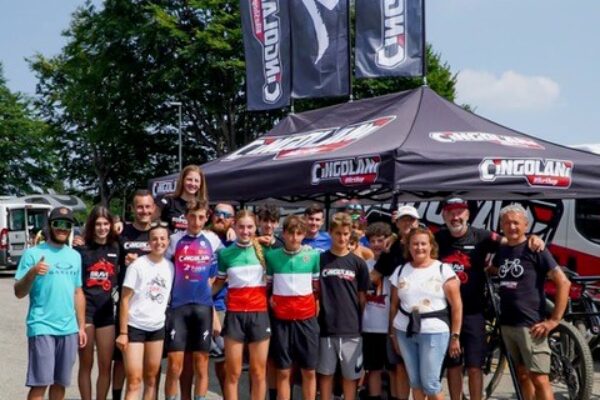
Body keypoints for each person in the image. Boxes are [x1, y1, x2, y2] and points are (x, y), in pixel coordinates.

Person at [436, 197, 544, 400]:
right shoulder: (437, 237)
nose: (455, 217)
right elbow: (412, 242)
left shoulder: (482, 236)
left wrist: (533, 238)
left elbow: (512, 240)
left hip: (474, 312)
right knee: (453, 365)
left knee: (474, 366)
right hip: (445, 312)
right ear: (443, 215)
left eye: (459, 212)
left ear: (468, 214)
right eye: (450, 212)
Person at [492, 204, 570, 400]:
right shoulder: (502, 250)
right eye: (507, 223)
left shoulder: (535, 249)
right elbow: (492, 270)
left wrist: (554, 320)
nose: (512, 227)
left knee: (540, 379)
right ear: (501, 226)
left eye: (516, 223)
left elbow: (563, 282)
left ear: (526, 225)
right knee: (522, 374)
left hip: (531, 325)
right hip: (508, 324)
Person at [14, 206, 87, 400]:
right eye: (57, 223)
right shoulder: (33, 254)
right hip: (42, 326)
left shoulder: (75, 256)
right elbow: (19, 292)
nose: (62, 228)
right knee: (40, 383)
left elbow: (78, 292)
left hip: (68, 329)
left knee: (60, 383)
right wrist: (32, 272)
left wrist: (81, 327)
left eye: (67, 225)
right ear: (49, 225)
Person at [389, 227, 462, 400]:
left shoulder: (443, 270)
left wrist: (455, 336)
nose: (419, 248)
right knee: (415, 382)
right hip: (404, 331)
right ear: (408, 247)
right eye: (415, 244)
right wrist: (393, 335)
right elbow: (393, 306)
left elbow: (457, 306)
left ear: (431, 246)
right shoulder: (400, 271)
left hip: (434, 332)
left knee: (430, 383)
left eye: (423, 244)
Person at [164, 200, 223, 400]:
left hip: (203, 308)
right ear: (185, 217)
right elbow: (158, 260)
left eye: (201, 217)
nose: (196, 221)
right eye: (192, 216)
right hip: (178, 308)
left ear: (206, 218)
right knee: (174, 365)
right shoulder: (174, 240)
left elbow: (229, 256)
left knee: (201, 364)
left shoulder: (212, 239)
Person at [213, 210, 270, 400]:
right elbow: (218, 284)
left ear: (256, 227)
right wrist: (199, 294)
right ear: (234, 227)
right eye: (241, 227)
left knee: (258, 372)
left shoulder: (266, 250)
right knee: (233, 372)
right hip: (235, 315)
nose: (245, 231)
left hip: (259, 314)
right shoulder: (225, 254)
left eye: (250, 227)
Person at [115, 221, 174, 400]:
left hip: (157, 328)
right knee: (134, 380)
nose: (159, 242)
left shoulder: (170, 267)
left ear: (168, 241)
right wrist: (123, 333)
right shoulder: (137, 265)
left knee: (151, 379)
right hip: (135, 327)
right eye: (154, 239)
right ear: (148, 242)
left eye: (162, 239)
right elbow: (124, 300)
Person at [266, 215, 320, 400]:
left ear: (304, 235)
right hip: (281, 321)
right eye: (290, 233)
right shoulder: (272, 256)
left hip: (307, 320)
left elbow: (317, 287)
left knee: (309, 371)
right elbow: (267, 286)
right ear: (284, 234)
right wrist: (270, 299)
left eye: (298, 234)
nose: (294, 238)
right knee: (283, 371)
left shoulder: (313, 255)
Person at [317, 212, 370, 400]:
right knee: (326, 375)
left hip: (351, 329)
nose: (342, 238)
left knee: (350, 377)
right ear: (330, 233)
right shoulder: (320, 260)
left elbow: (362, 299)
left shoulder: (359, 264)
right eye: (338, 233)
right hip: (325, 327)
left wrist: (360, 324)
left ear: (350, 235)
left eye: (346, 234)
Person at [113, 189, 156, 400]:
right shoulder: (122, 233)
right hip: (127, 307)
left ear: (154, 209)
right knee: (122, 361)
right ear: (132, 209)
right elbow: (101, 247)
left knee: (150, 368)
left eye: (147, 206)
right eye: (140, 207)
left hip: (152, 308)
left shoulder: (159, 234)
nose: (144, 211)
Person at [371, 206, 418, 400]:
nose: (407, 223)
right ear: (396, 223)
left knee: (421, 370)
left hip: (424, 315)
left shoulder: (426, 242)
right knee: (398, 366)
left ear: (417, 222)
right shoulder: (391, 249)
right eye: (403, 220)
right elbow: (373, 276)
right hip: (398, 315)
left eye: (411, 220)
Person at [77, 206, 120, 400]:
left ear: (110, 225)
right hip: (85, 313)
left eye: (105, 224)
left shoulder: (116, 247)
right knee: (86, 364)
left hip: (106, 313)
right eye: (98, 224)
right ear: (91, 226)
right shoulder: (81, 249)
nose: (102, 228)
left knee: (105, 365)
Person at [361, 222, 394, 400]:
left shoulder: (396, 263)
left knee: (394, 369)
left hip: (391, 326)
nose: (376, 244)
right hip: (370, 325)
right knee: (373, 369)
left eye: (380, 240)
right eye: (372, 241)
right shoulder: (364, 265)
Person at [208, 202, 236, 394]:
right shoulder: (202, 237)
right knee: (199, 361)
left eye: (226, 215)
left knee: (226, 364)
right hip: (204, 305)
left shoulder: (236, 242)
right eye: (218, 213)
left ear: (232, 220)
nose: (221, 217)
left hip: (227, 307)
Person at [159, 164, 208, 233]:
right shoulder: (168, 201)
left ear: (200, 184)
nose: (193, 184)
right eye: (189, 179)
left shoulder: (203, 206)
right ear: (182, 181)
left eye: (196, 181)